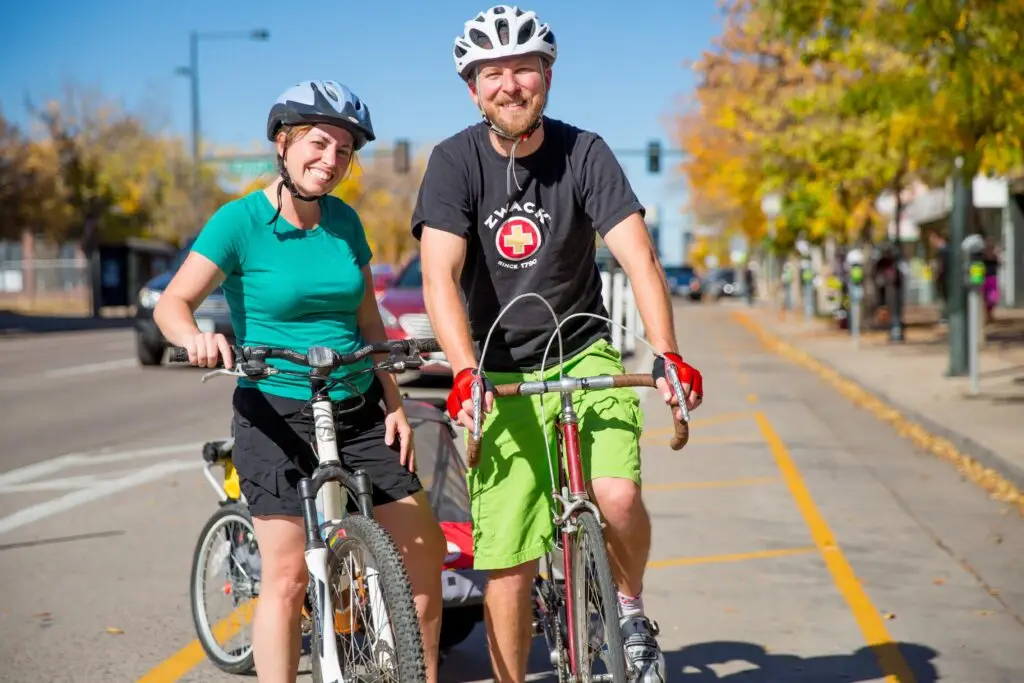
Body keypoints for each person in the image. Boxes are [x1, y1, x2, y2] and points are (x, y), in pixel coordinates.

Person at [410, 7, 704, 683]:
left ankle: (629, 608)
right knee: (507, 560)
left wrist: (667, 351)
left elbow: (640, 259)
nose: (510, 85)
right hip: (497, 369)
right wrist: (462, 372)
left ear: (547, 74)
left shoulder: (584, 151)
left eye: (523, 68)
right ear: (472, 87)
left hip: (583, 351)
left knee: (618, 496)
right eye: (493, 73)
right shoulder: (454, 162)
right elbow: (439, 277)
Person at [153, 80, 446, 683]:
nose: (331, 160)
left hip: (356, 399)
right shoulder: (239, 222)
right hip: (274, 405)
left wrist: (393, 399)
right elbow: (172, 305)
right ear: (283, 145)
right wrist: (196, 339)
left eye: (344, 150)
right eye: (318, 143)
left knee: (423, 550)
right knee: (287, 577)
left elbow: (369, 321)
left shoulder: (345, 222)